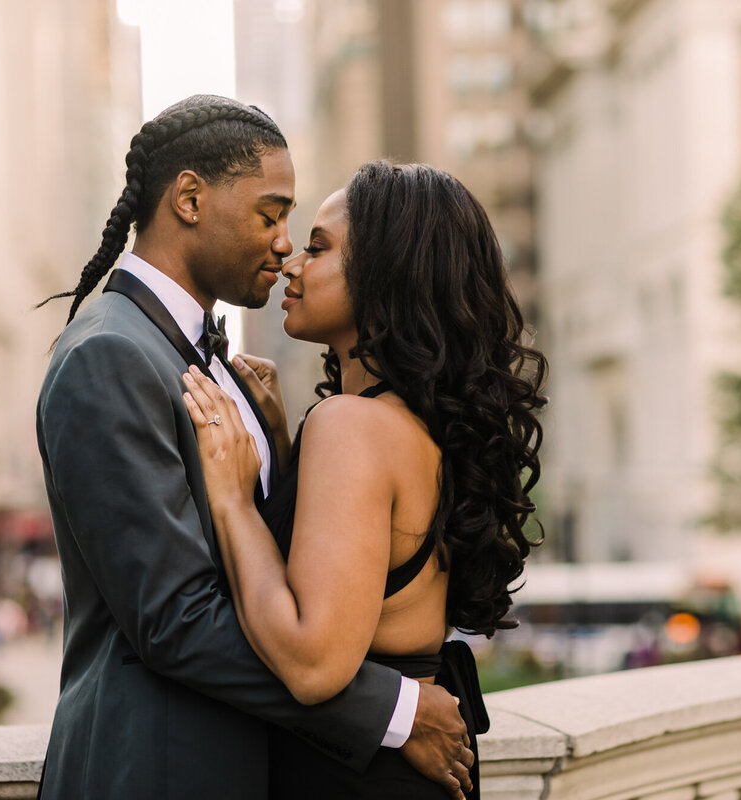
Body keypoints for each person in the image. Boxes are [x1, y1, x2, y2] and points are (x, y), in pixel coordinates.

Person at [35, 96, 473, 800]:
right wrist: (392, 711)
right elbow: (175, 617)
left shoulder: (220, 367)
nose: (284, 245)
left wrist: (277, 450)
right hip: (160, 770)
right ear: (189, 198)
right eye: (271, 215)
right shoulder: (110, 355)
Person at [180, 160, 548, 797]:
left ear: (387, 277)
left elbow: (312, 661)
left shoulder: (351, 427)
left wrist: (234, 499)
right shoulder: (413, 424)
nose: (291, 261)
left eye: (319, 248)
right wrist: (285, 451)